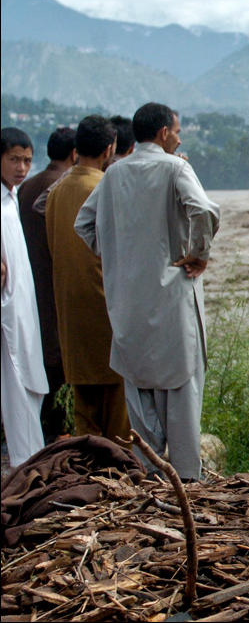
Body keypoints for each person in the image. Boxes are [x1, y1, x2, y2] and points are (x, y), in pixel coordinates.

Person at [74, 102, 220, 481]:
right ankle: (187, 479)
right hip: (172, 297)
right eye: (177, 130)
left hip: (127, 304)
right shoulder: (176, 168)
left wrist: (119, 258)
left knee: (138, 392)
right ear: (162, 133)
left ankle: (147, 476)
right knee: (183, 391)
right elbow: (203, 211)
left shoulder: (113, 174)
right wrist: (198, 254)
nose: (179, 136)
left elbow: (84, 224)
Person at [42, 115, 131, 446]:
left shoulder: (56, 192)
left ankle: (91, 479)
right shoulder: (106, 189)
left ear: (77, 148)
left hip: (71, 317)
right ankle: (120, 481)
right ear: (110, 148)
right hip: (107, 315)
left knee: (86, 418)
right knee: (118, 417)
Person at [16, 127, 76, 442]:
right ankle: (57, 432)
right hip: (56, 287)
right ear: (75, 154)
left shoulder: (24, 188)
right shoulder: (64, 186)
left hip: (28, 287)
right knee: (58, 364)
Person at [1, 127, 47, 468]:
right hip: (8, 308)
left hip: (21, 306)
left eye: (27, 160)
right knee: (15, 381)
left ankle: (30, 458)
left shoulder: (12, 197)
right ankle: (24, 461)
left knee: (26, 378)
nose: (22, 167)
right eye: (14, 159)